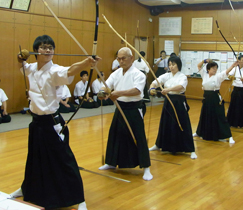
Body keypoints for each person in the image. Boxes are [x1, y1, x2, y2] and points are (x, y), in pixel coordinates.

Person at [11, 34, 100, 210]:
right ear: (36, 50)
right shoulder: (31, 68)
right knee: (34, 159)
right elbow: (22, 64)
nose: (48, 50)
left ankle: (79, 198)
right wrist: (19, 56)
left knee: (64, 160)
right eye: (44, 47)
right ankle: (26, 187)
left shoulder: (55, 71)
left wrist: (85, 63)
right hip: (36, 123)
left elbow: (70, 70)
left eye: (51, 48)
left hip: (52, 123)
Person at [98, 47, 152, 181]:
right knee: (115, 134)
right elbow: (107, 85)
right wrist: (103, 93)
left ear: (131, 58)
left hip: (134, 108)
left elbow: (137, 91)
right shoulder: (116, 73)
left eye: (124, 58)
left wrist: (118, 93)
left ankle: (146, 167)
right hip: (120, 106)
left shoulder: (138, 74)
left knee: (138, 136)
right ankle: (110, 162)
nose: (121, 61)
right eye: (119, 58)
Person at [148, 56, 197, 159]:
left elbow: (181, 86)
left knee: (182, 123)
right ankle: (159, 144)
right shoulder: (166, 75)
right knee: (165, 123)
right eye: (170, 64)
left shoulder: (182, 76)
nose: (171, 67)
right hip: (168, 101)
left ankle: (191, 149)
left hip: (178, 101)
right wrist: (152, 88)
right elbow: (156, 81)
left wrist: (168, 89)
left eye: (173, 64)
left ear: (178, 65)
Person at [193, 59, 238, 143]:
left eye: (216, 68)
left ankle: (229, 136)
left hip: (215, 97)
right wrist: (205, 60)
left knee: (220, 116)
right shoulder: (204, 75)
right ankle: (199, 132)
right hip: (206, 97)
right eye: (213, 68)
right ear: (208, 69)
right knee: (204, 115)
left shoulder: (218, 76)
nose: (215, 69)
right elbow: (199, 66)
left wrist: (233, 65)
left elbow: (226, 72)